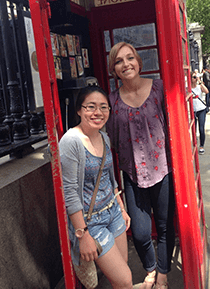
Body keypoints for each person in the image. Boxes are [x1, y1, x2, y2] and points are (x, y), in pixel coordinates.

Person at [106, 42, 175, 289]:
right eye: (119, 61)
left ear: (138, 61)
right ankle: (150, 268)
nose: (126, 64)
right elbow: (108, 140)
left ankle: (162, 275)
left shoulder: (158, 88)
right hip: (132, 175)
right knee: (141, 232)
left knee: (166, 226)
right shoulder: (112, 100)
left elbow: (174, 127)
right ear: (113, 69)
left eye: (130, 58)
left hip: (163, 170)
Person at [59, 85, 133, 289]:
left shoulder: (104, 136)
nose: (97, 113)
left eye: (103, 107)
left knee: (121, 271)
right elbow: (70, 192)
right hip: (92, 222)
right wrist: (82, 234)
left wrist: (122, 207)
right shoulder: (71, 142)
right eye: (91, 107)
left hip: (114, 212)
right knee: (125, 279)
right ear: (79, 110)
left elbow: (110, 178)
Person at [191, 72, 208, 155]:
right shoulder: (187, 88)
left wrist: (200, 81)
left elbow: (207, 91)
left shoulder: (199, 86)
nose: (195, 78)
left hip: (201, 109)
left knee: (201, 129)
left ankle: (201, 146)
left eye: (195, 77)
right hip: (193, 110)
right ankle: (194, 144)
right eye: (193, 77)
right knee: (194, 129)